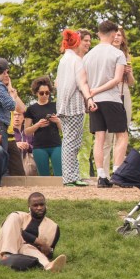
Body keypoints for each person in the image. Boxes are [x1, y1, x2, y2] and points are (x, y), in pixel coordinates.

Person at [83, 20, 128, 187]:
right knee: (121, 135)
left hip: (94, 101)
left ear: (98, 34)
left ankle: (101, 175)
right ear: (113, 34)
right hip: (111, 98)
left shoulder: (88, 56)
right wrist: (98, 90)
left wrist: (91, 94)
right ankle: (117, 173)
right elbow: (117, 79)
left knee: (99, 138)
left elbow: (84, 81)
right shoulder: (117, 54)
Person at [55, 28, 96, 186]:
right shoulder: (76, 61)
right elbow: (81, 83)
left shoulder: (64, 59)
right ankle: (70, 177)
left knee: (69, 142)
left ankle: (71, 176)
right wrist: (89, 98)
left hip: (64, 106)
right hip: (74, 106)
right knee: (73, 142)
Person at [0, 192, 66, 272]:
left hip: (28, 255)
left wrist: (48, 250)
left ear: (46, 205)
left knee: (27, 247)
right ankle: (8, 254)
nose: (39, 208)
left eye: (42, 204)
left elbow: (49, 251)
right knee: (13, 216)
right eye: (35, 205)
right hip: (4, 252)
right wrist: (40, 242)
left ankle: (48, 266)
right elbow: (19, 232)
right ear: (29, 207)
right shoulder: (18, 216)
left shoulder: (53, 227)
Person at [100, 26, 135, 178]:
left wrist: (128, 73)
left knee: (122, 134)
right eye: (115, 35)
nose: (117, 37)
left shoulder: (126, 55)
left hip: (124, 92)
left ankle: (118, 172)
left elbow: (132, 82)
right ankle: (105, 174)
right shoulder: (105, 54)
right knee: (107, 137)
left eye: (120, 35)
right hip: (109, 94)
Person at [24, 76, 63, 176]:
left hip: (56, 145)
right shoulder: (31, 109)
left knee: (60, 175)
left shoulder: (56, 106)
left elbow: (64, 130)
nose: (45, 95)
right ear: (36, 93)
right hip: (39, 147)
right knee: (43, 177)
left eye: (47, 92)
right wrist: (38, 125)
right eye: (42, 93)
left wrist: (57, 121)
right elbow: (26, 131)